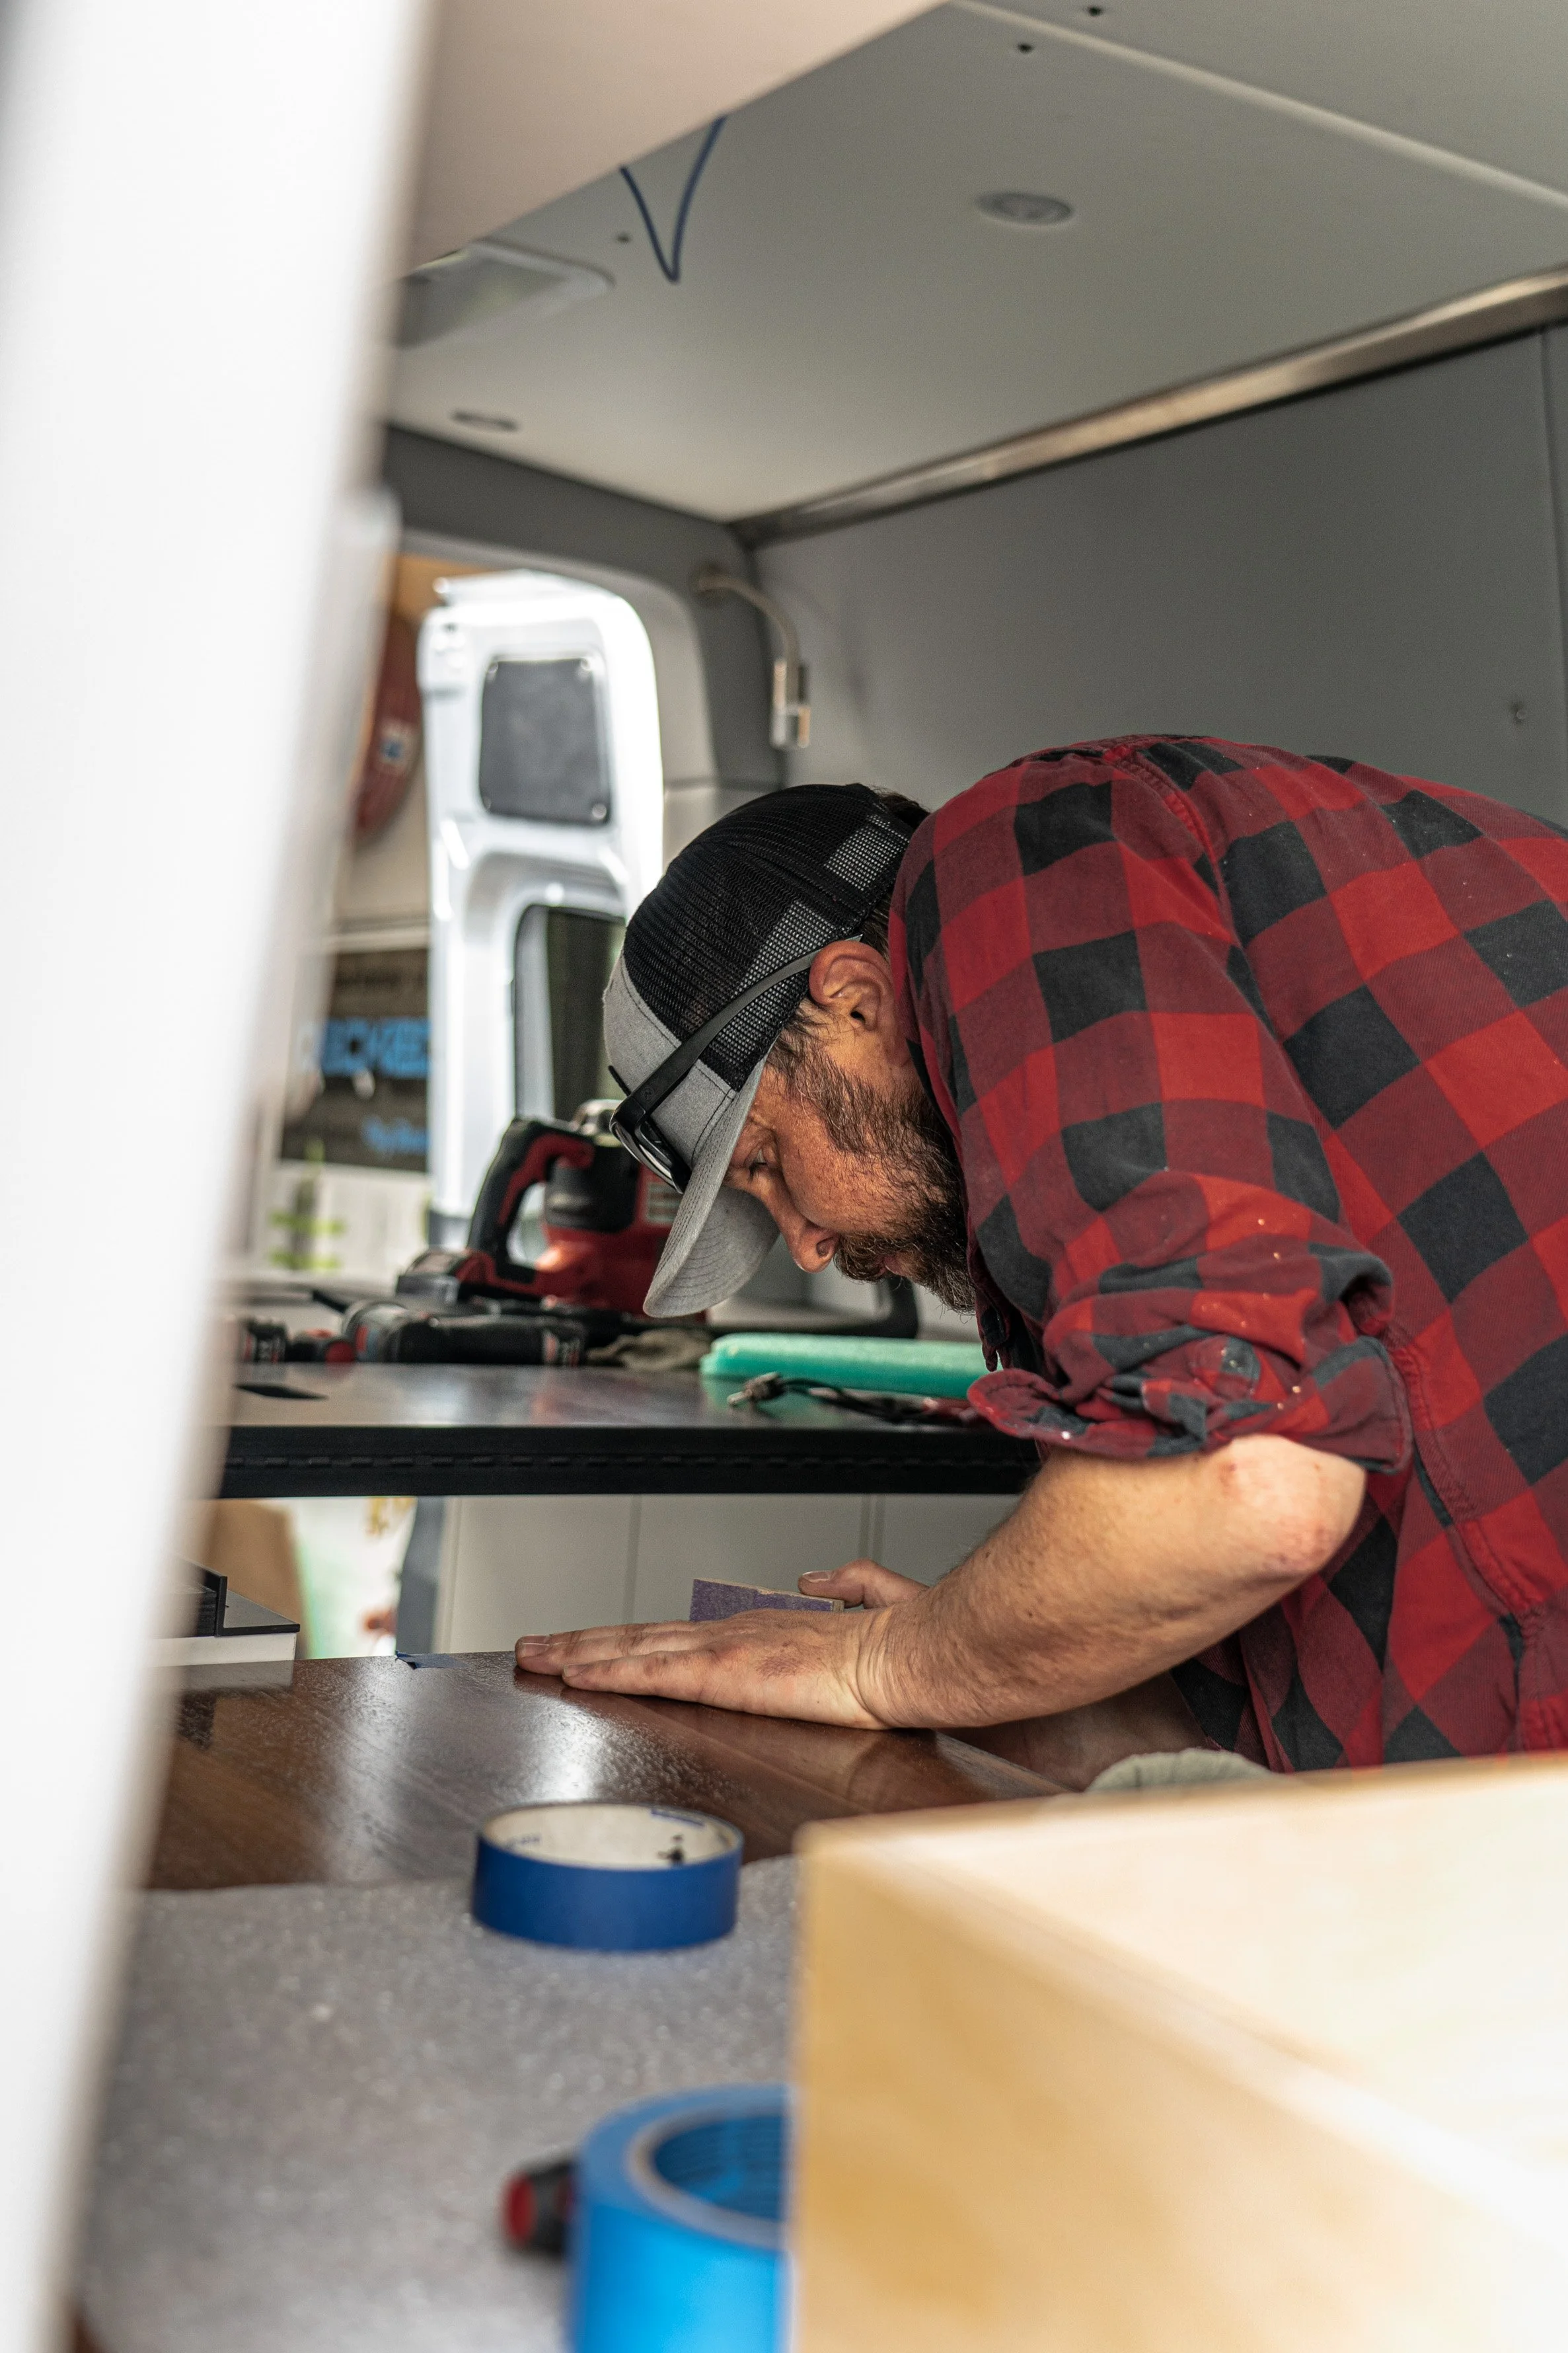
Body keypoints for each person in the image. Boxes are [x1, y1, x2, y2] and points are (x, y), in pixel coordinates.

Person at [515, 738, 1568, 1774]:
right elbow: (1260, 1640)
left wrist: (883, 1665)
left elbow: (1247, 1487)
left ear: (854, 1000)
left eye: (770, 1166)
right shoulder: (1140, 1143)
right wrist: (990, 1662)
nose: (808, 1241)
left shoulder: (1009, 863)